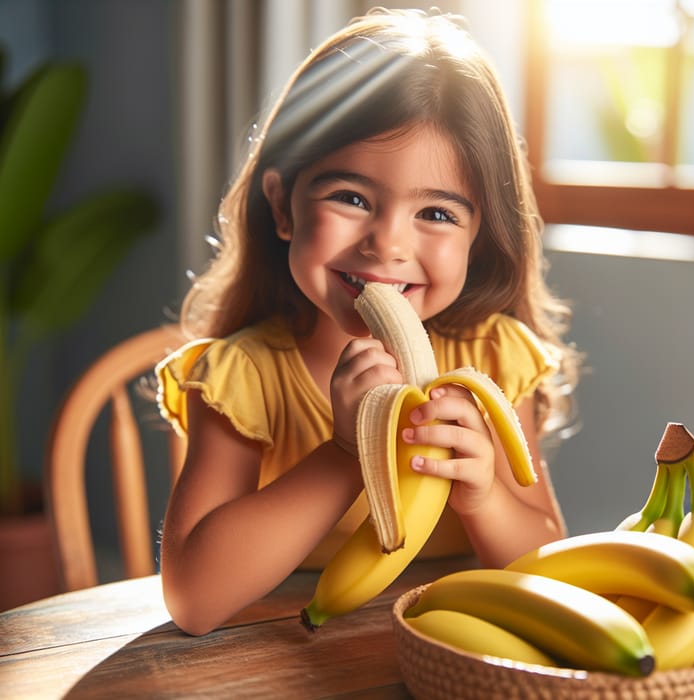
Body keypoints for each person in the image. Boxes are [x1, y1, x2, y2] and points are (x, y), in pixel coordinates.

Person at [156, 7, 580, 636]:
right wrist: (345, 452)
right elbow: (193, 598)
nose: (387, 245)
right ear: (282, 207)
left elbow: (546, 565)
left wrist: (487, 494)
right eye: (351, 199)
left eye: (436, 213)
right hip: (282, 649)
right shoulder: (244, 377)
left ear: (479, 236)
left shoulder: (493, 360)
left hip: (453, 647)